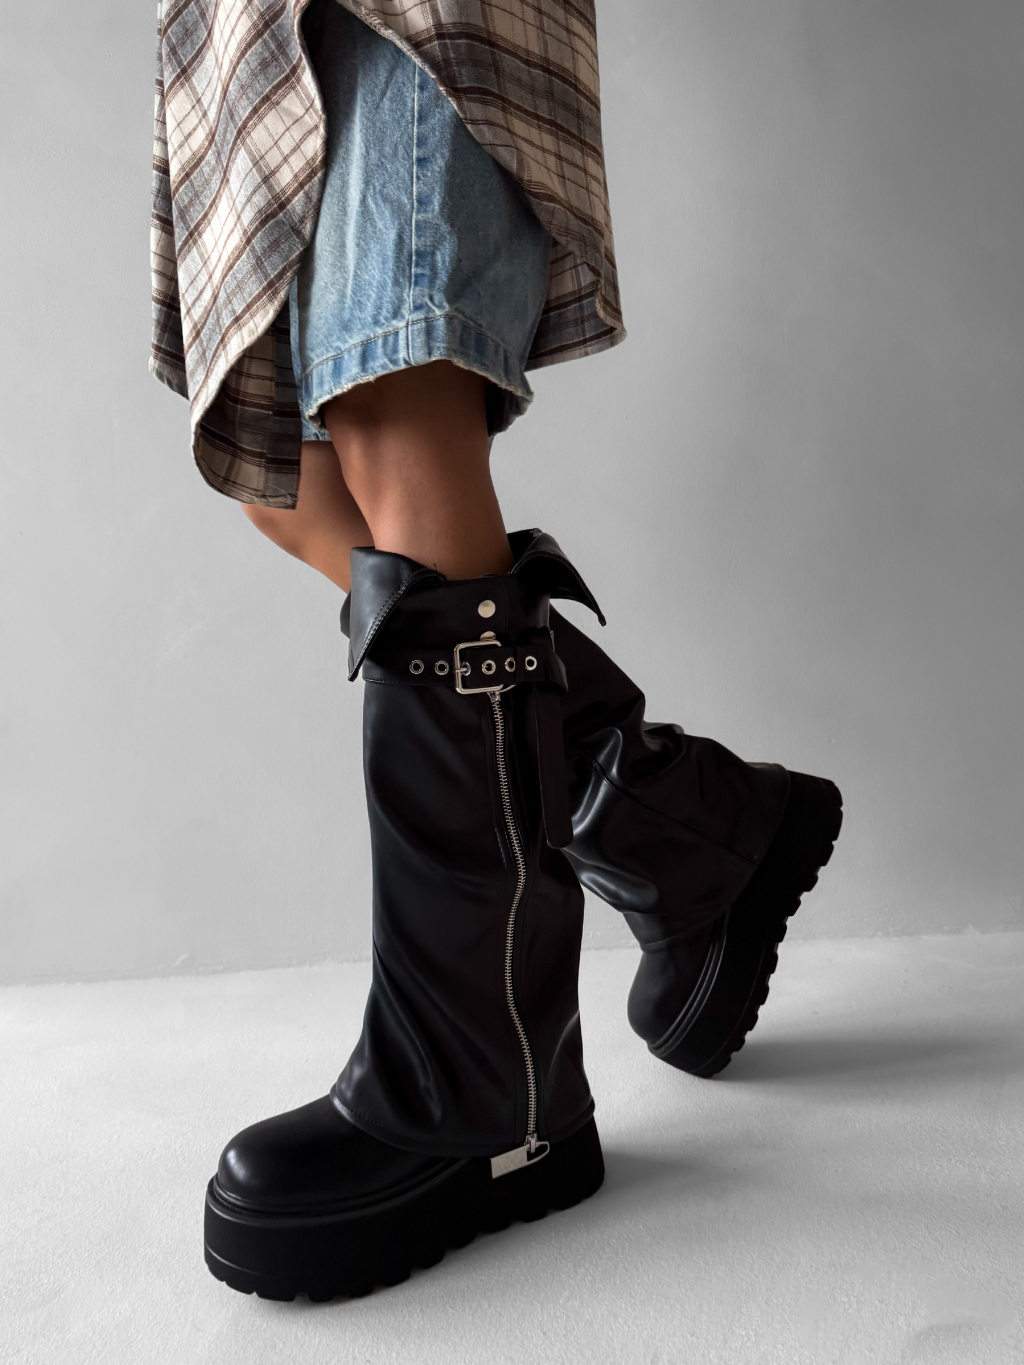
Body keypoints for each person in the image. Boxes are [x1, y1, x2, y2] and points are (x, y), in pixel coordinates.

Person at [152, 0, 842, 1302]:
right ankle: (685, 825)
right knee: (293, 487)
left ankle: (484, 1097)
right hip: (238, 31)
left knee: (396, 401)